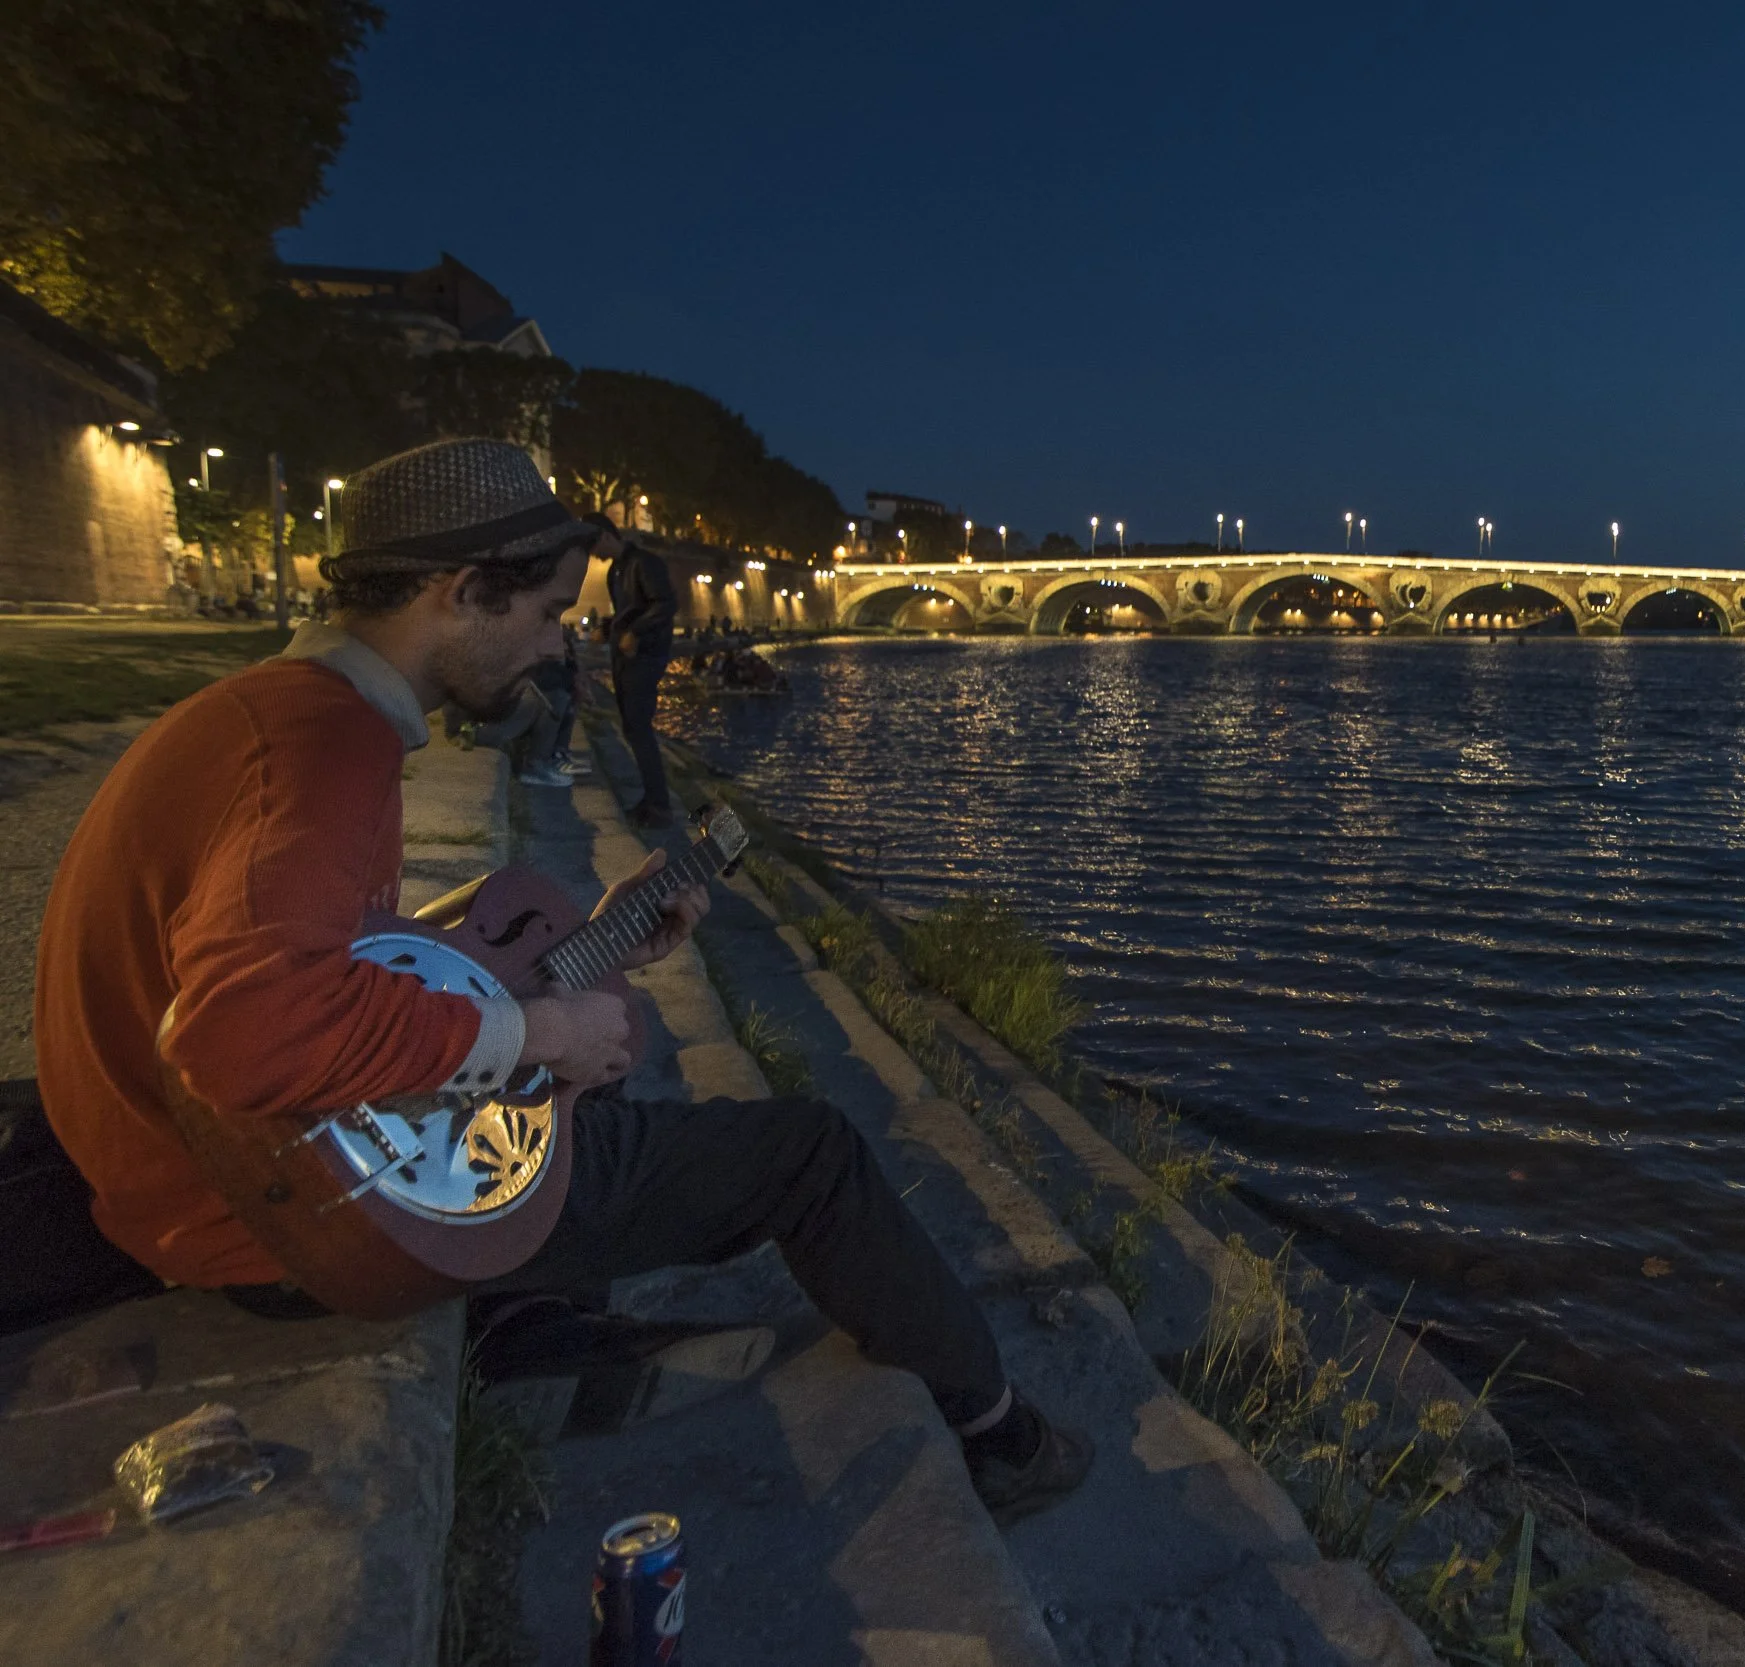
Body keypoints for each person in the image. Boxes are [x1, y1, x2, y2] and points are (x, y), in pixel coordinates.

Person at [31, 437, 1089, 1519]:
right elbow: (244, 1030)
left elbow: (346, 968)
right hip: (280, 1218)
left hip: (205, 1171)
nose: (558, 646)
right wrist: (532, 1034)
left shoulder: (268, 714)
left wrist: (591, 954)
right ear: (463, 591)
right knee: (809, 1152)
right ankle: (998, 1428)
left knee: (590, 1066)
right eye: (545, 613)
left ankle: (533, 1326)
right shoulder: (320, 752)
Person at [606, 534, 677, 829]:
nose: (594, 555)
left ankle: (659, 806)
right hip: (627, 656)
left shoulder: (645, 563)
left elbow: (665, 604)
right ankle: (652, 800)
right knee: (633, 728)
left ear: (604, 536)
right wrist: (606, 628)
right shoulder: (617, 570)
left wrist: (635, 632)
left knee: (638, 727)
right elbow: (627, 613)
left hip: (645, 655)